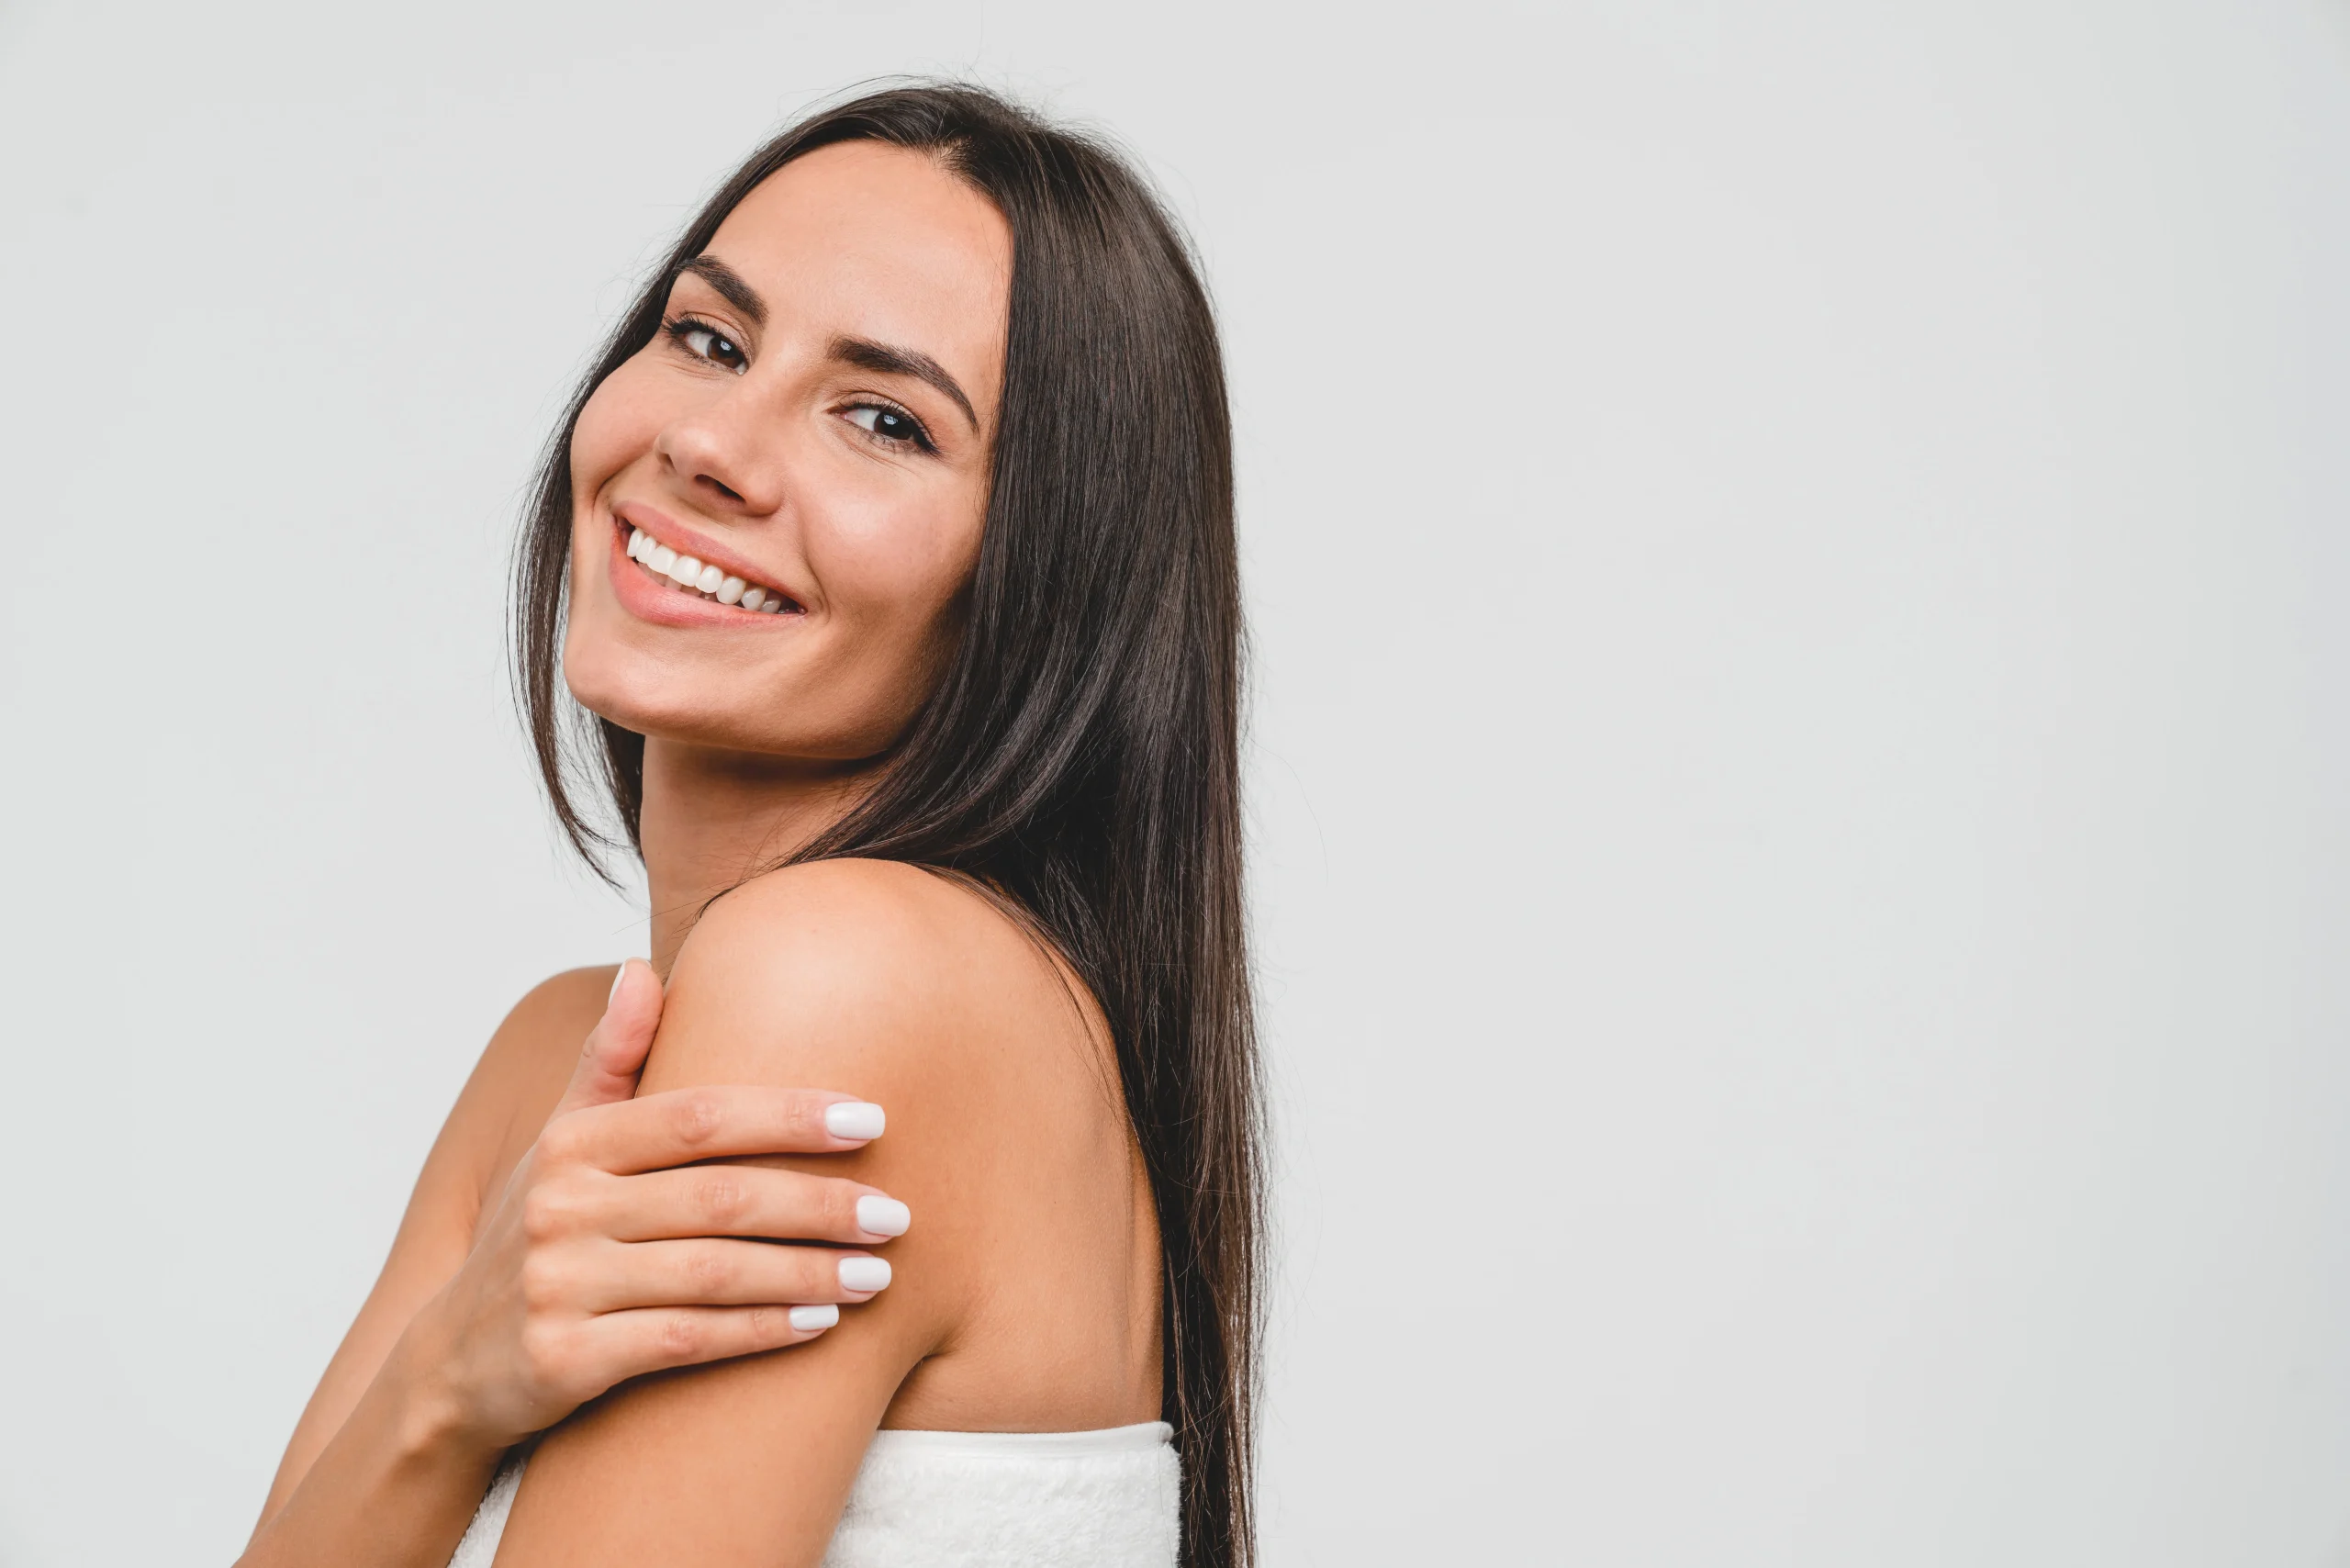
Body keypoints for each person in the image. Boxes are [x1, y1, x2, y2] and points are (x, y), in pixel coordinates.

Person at [236, 84, 1260, 1568]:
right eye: (708, 337)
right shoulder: (563, 1052)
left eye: (883, 420)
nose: (713, 442)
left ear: (1038, 587)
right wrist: (445, 1391)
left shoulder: (846, 983)